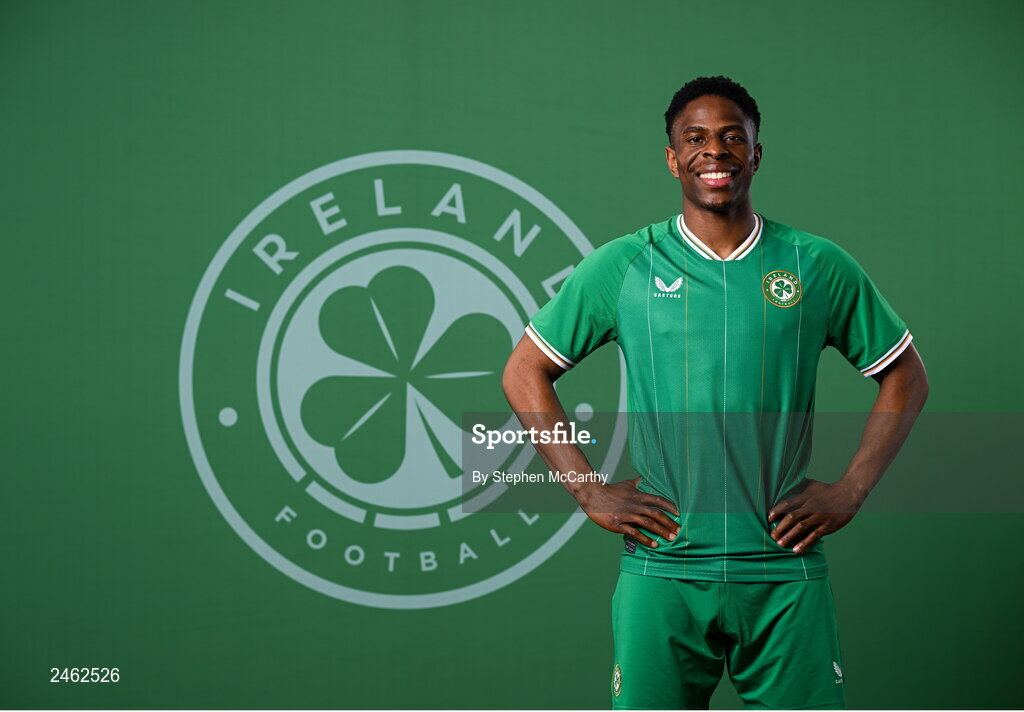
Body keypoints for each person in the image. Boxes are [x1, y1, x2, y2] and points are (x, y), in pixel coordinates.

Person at [501, 76, 929, 709]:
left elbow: (906, 375)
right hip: (666, 564)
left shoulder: (815, 263)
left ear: (757, 153)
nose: (715, 151)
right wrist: (587, 488)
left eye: (733, 137)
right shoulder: (626, 266)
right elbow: (523, 372)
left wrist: (851, 489)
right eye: (695, 138)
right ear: (672, 158)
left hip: (782, 563)